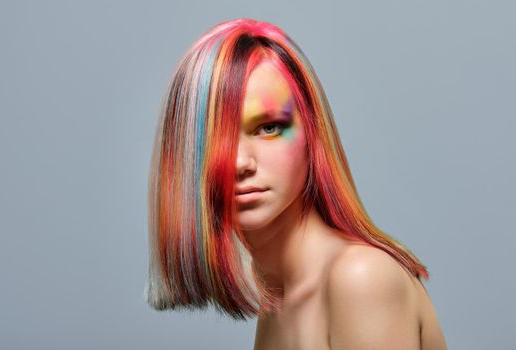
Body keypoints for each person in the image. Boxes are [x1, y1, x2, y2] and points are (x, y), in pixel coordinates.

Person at [145, 18, 447, 350]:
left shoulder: (360, 279)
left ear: (312, 136)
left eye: (269, 127)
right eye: (216, 137)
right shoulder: (279, 295)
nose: (240, 162)